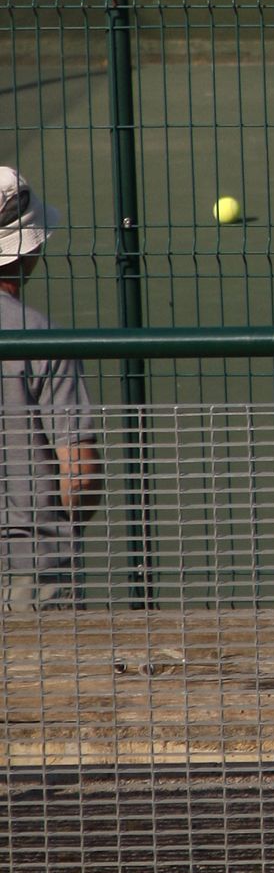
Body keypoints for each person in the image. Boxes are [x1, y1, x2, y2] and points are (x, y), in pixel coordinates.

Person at [0, 169, 99, 612]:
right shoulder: (40, 336)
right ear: (29, 249)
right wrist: (66, 528)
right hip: (33, 563)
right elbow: (80, 476)